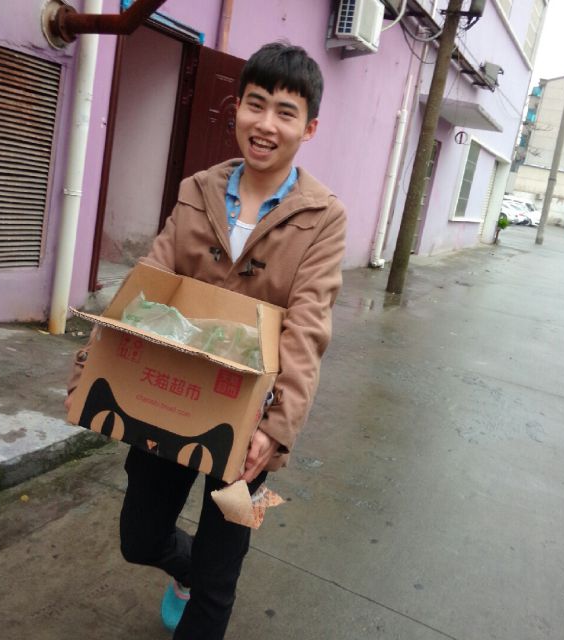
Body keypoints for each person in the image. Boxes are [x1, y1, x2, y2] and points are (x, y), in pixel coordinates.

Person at [66, 42, 346, 639]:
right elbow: (150, 282)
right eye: (255, 104)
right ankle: (185, 569)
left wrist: (277, 429)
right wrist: (94, 363)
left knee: (219, 582)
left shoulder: (323, 217)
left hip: (250, 421)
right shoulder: (199, 188)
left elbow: (308, 326)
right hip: (169, 397)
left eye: (286, 112)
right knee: (140, 538)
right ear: (237, 107)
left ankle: (206, 583)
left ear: (309, 128)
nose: (265, 124)